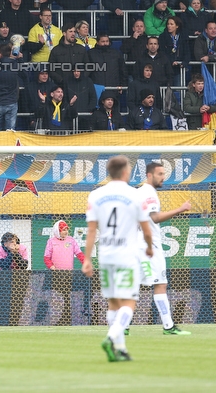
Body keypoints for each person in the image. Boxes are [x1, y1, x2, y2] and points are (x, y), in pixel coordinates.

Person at [82, 155, 154, 362]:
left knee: (113, 304)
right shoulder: (135, 195)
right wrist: (149, 248)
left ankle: (120, 349)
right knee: (129, 302)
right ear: (124, 172)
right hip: (127, 255)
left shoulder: (95, 195)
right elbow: (146, 230)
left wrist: (87, 259)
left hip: (106, 255)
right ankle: (111, 337)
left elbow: (91, 231)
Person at [136, 161, 193, 334]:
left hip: (137, 244)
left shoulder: (138, 192)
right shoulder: (149, 193)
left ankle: (121, 326)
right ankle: (168, 326)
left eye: (163, 173)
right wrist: (181, 209)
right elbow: (155, 217)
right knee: (160, 284)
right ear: (149, 175)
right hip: (150, 244)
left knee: (132, 285)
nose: (163, 177)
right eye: (160, 174)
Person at [0, 42, 21, 131]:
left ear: (0, 54)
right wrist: (18, 57)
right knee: (10, 132)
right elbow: (25, 76)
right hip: (11, 102)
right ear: (10, 53)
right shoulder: (15, 65)